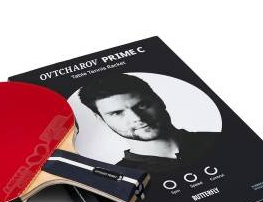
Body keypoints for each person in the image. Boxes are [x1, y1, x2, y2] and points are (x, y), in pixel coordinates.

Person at [78, 73, 219, 172]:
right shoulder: (121, 180)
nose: (137, 118)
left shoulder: (220, 139)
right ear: (101, 120)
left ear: (159, 100)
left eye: (142, 105)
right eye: (117, 113)